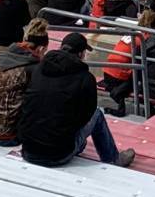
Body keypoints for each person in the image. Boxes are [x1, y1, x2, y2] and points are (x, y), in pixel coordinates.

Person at [17, 31, 136, 167]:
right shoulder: (85, 78)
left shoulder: (38, 69)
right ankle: (113, 159)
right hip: (58, 154)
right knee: (97, 115)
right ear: (80, 54)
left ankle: (78, 145)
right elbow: (86, 115)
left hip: (28, 149)